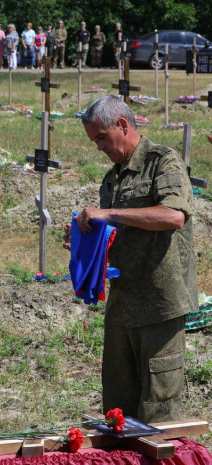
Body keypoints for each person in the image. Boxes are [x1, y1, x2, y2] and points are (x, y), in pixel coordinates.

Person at [74, 96, 195, 422]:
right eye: (93, 140)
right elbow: (117, 232)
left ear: (123, 125)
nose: (98, 146)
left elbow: (173, 215)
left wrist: (110, 212)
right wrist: (86, 239)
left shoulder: (163, 162)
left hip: (159, 307)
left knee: (158, 413)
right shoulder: (112, 178)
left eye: (101, 137)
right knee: (118, 410)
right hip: (122, 306)